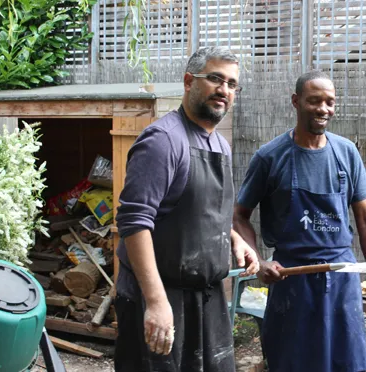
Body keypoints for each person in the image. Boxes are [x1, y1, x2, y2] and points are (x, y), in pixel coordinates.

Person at [113, 46, 259, 372]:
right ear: (189, 81)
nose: (224, 90)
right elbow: (134, 222)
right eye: (215, 79)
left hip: (207, 299)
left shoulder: (219, 143)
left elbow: (201, 209)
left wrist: (233, 238)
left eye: (232, 84)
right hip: (162, 295)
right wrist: (155, 301)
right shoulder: (163, 141)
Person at [233, 70, 366, 372]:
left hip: (343, 277)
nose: (323, 109)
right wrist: (260, 262)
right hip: (292, 281)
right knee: (292, 363)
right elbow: (239, 216)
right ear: (296, 101)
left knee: (347, 363)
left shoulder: (347, 153)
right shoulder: (270, 157)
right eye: (315, 101)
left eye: (330, 102)